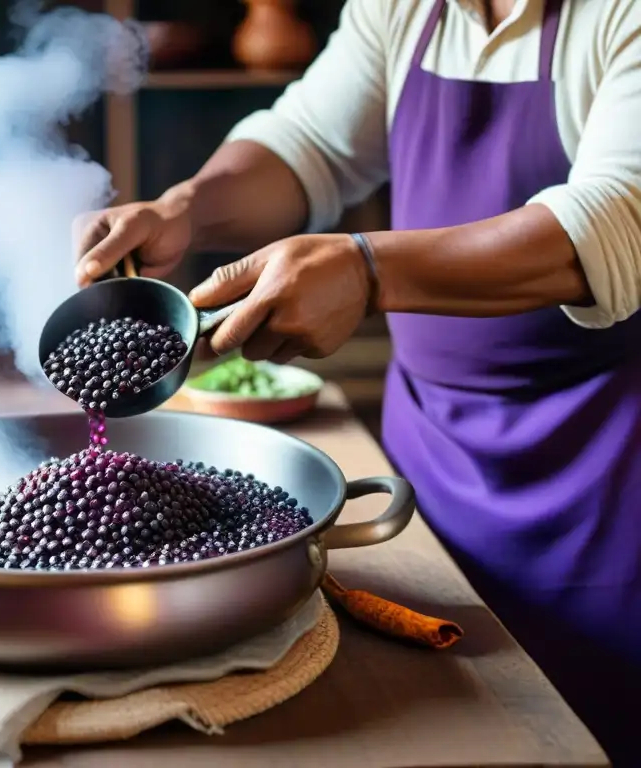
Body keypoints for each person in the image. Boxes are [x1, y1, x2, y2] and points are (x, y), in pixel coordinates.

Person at [73, 0, 641, 762]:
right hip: (429, 453)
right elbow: (310, 143)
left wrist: (367, 271)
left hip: (601, 476)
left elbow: (614, 222)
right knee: (440, 722)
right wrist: (186, 208)